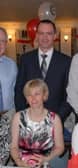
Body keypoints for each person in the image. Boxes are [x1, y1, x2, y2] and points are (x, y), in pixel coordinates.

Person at [15, 19, 73, 123]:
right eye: (41, 33)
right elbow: (19, 91)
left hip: (55, 121)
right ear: (36, 35)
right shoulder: (25, 59)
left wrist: (57, 118)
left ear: (55, 35)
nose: (45, 37)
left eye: (49, 33)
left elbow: (69, 95)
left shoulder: (66, 61)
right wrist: (24, 116)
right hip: (29, 121)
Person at [10, 79, 64, 168]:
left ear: (44, 95)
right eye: (29, 95)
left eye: (37, 94)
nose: (33, 98)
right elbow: (13, 147)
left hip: (47, 163)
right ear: (26, 98)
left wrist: (46, 159)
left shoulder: (55, 119)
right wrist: (19, 162)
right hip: (22, 164)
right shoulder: (18, 117)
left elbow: (60, 147)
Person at [0, 27, 17, 165]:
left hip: (7, 116)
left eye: (3, 41)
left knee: (7, 156)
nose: (0, 44)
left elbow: (16, 91)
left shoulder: (12, 65)